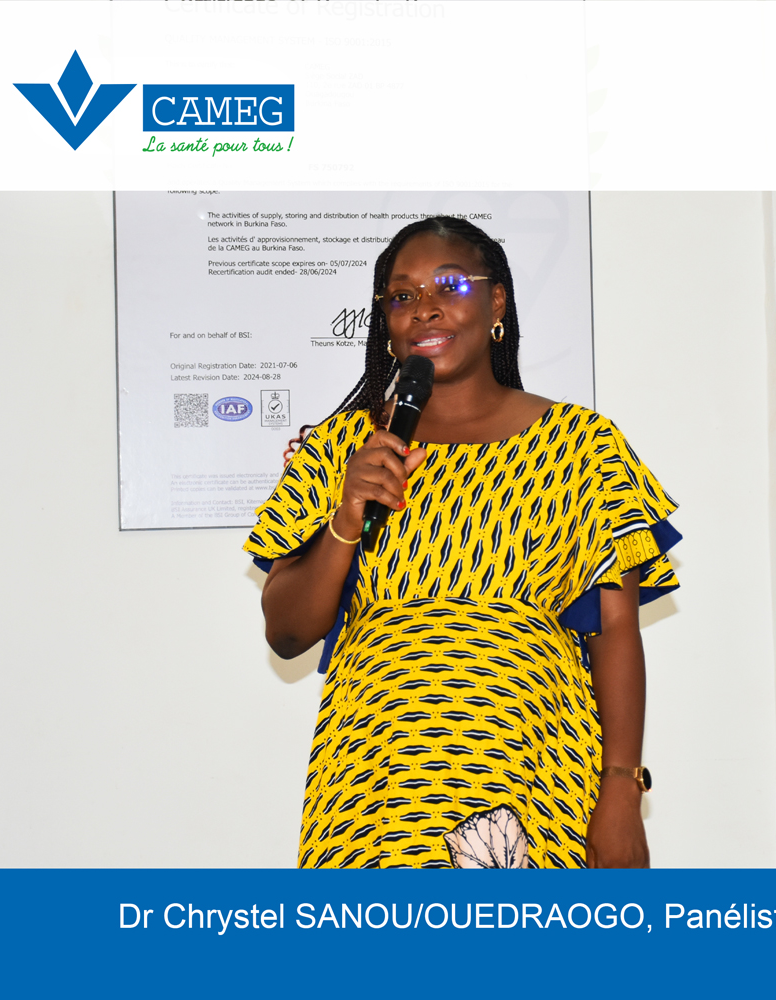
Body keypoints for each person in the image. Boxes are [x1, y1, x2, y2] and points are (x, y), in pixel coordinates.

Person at [244, 217, 680, 869]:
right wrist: (346, 517)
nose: (424, 308)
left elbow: (616, 629)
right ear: (386, 321)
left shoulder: (583, 447)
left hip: (534, 771)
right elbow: (286, 633)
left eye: (448, 286)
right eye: (402, 295)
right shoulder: (340, 450)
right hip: (376, 785)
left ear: (497, 302)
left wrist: (621, 790)